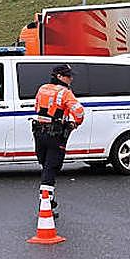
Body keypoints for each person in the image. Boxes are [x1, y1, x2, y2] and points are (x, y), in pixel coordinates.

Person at [31, 63, 85, 207]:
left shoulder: (42, 88)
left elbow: (37, 107)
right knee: (52, 166)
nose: (71, 79)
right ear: (59, 76)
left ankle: (49, 197)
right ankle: (46, 201)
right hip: (56, 134)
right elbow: (79, 111)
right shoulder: (65, 92)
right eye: (68, 76)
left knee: (45, 164)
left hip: (38, 131)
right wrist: (75, 123)